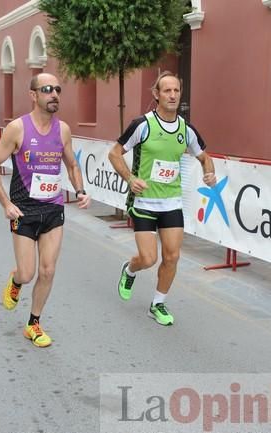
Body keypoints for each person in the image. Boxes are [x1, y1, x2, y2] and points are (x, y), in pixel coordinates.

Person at [0, 73, 91, 348]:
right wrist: (6, 204)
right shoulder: (17, 129)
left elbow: (72, 165)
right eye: (47, 89)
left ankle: (33, 324)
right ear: (33, 95)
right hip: (24, 211)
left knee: (48, 270)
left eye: (57, 89)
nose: (54, 94)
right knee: (28, 273)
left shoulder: (63, 130)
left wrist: (79, 190)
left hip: (53, 209)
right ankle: (16, 281)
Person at [108, 71, 217, 326]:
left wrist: (209, 172)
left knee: (172, 257)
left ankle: (157, 303)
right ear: (156, 95)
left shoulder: (186, 130)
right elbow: (114, 154)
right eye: (167, 90)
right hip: (144, 201)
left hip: (171, 202)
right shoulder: (142, 125)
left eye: (176, 90)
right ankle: (130, 269)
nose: (172, 95)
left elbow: (205, 157)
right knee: (148, 259)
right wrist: (130, 178)